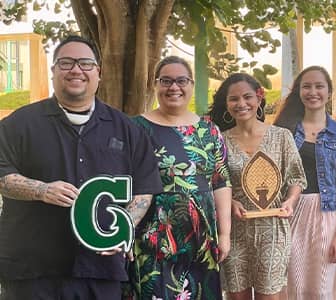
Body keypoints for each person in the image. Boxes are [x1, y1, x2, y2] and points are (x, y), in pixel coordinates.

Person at [0, 35, 163, 300]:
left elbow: (144, 188)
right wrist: (40, 190)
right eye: (66, 63)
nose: (76, 70)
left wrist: (124, 227)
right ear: (53, 71)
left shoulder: (128, 129)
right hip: (31, 270)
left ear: (98, 73)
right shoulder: (19, 124)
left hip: (100, 270)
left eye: (86, 64)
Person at [126, 56, 232, 300]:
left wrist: (224, 235)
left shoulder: (209, 130)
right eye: (166, 81)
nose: (174, 87)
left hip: (202, 239)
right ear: (156, 85)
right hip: (152, 238)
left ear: (192, 85)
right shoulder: (136, 128)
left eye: (181, 80)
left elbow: (220, 182)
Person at [209, 73, 306, 300]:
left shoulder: (281, 137)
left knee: (269, 296)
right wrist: (230, 202)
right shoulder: (219, 141)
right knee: (236, 296)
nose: (241, 104)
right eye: (234, 99)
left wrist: (290, 201)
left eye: (247, 97)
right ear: (226, 103)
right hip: (233, 231)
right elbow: (214, 183)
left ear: (259, 98)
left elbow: (296, 178)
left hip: (273, 230)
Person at [274, 65, 336, 300]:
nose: (313, 91)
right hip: (289, 213)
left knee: (321, 284)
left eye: (319, 86)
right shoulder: (283, 130)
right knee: (291, 282)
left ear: (329, 92)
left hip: (325, 215)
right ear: (299, 91)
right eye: (306, 86)